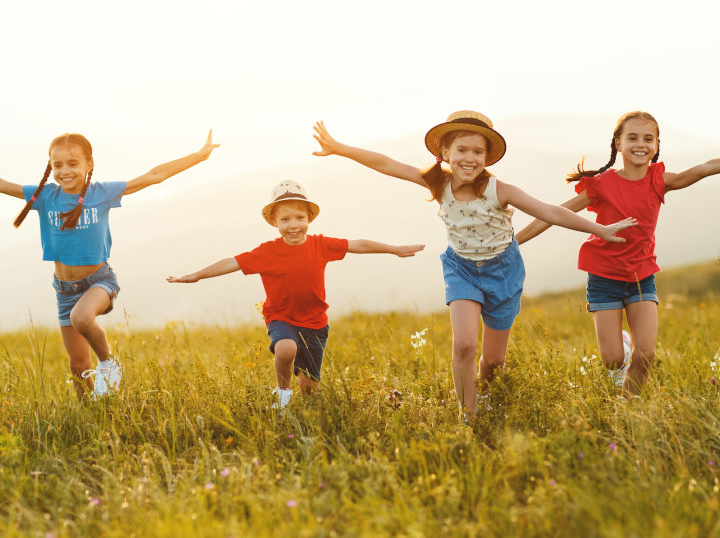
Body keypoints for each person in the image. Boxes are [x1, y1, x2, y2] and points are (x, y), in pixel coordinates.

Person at [312, 111, 637, 417]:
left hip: (503, 272)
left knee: (494, 362)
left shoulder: (501, 190)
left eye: (477, 152)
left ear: (487, 157)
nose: (469, 158)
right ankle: (468, 415)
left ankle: (485, 391)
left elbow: (550, 211)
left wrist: (599, 229)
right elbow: (385, 163)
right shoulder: (437, 181)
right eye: (462, 149)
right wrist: (339, 148)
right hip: (462, 269)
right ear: (445, 153)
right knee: (465, 344)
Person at [516, 111, 720, 393]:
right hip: (604, 279)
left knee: (646, 355)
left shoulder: (659, 180)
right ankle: (622, 347)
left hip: (642, 277)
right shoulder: (602, 185)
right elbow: (552, 214)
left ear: (656, 145)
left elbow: (705, 167)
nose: (640, 144)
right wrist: (514, 242)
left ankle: (628, 413)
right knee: (613, 359)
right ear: (617, 143)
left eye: (648, 138)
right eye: (632, 137)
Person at [167, 179, 424, 410]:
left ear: (309, 218)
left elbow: (358, 245)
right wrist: (196, 275)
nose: (293, 225)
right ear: (273, 222)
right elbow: (231, 262)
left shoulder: (321, 245)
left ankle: (302, 409)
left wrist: (394, 249)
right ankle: (282, 391)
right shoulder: (266, 252)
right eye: (285, 219)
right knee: (287, 348)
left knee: (310, 390)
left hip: (315, 323)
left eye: (300, 218)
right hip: (282, 318)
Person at [0, 131, 220, 399]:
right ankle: (90, 416)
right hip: (64, 290)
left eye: (72, 163)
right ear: (50, 166)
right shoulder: (44, 196)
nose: (64, 171)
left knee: (81, 318)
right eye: (57, 165)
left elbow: (153, 176)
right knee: (78, 366)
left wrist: (198, 156)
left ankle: (108, 362)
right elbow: (3, 184)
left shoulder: (101, 193)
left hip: (99, 281)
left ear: (89, 164)